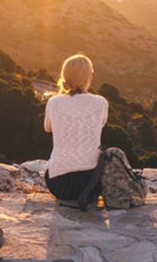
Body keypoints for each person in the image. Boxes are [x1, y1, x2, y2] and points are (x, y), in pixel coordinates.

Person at [43, 53, 108, 205]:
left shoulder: (54, 102)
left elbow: (47, 128)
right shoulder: (101, 103)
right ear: (88, 77)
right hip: (92, 184)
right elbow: (101, 124)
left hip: (59, 185)